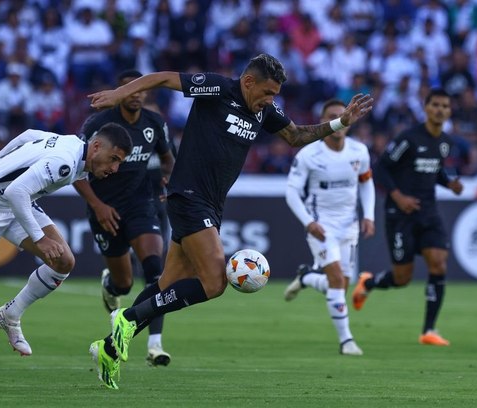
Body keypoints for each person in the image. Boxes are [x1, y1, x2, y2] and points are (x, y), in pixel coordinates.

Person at [86, 53, 373, 390]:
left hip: (210, 204)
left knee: (166, 286)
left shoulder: (264, 110)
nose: (270, 101)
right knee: (214, 282)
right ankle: (127, 318)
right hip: (189, 197)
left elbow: (295, 136)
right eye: (267, 93)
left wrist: (340, 123)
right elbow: (163, 78)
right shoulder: (218, 89)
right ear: (248, 82)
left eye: (275, 95)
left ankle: (107, 347)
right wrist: (120, 94)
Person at [0, 123, 132, 385]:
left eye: (119, 163)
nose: (114, 168)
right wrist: (40, 239)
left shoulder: (72, 144)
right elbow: (16, 191)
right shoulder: (65, 162)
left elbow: (30, 135)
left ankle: (10, 314)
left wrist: (0, 161)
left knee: (64, 261)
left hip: (15, 206)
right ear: (97, 146)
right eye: (114, 159)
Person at [74, 69, 175, 366]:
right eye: (128, 89)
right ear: (119, 93)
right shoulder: (99, 124)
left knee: (156, 270)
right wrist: (97, 205)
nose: (135, 94)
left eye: (140, 89)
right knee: (125, 284)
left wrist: (168, 180)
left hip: (141, 203)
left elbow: (168, 160)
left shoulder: (154, 123)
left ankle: (154, 345)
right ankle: (111, 288)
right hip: (104, 208)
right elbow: (76, 168)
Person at [351, 88, 463, 346]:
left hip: (428, 212)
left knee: (439, 264)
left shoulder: (445, 142)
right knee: (402, 278)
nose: (440, 110)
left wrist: (450, 184)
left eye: (445, 106)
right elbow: (381, 169)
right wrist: (398, 197)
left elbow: (435, 172)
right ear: (426, 108)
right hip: (399, 214)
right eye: (435, 105)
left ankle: (429, 331)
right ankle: (368, 283)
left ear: (449, 111)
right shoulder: (409, 138)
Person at [283, 99, 375, 357]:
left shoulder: (359, 152)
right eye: (333, 115)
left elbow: (367, 183)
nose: (340, 119)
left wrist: (369, 215)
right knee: (336, 281)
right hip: (321, 226)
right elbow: (291, 191)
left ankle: (306, 278)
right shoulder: (309, 155)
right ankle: (346, 341)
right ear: (325, 121)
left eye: (343, 114)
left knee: (342, 285)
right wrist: (308, 222)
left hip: (350, 227)